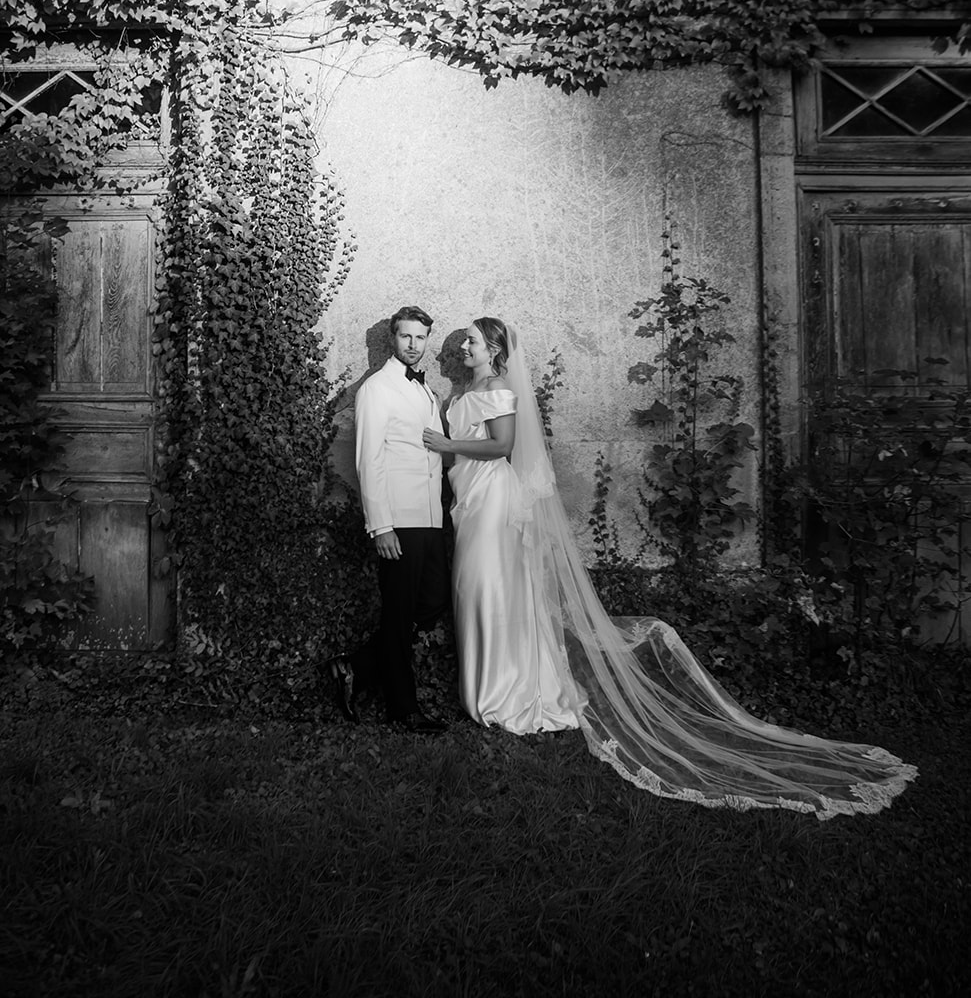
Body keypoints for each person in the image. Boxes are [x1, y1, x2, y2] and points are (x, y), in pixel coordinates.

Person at [423, 316, 918, 819]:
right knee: (475, 589)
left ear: (495, 349)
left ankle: (508, 691)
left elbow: (502, 447)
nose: (463, 347)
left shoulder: (499, 389)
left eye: (472, 341)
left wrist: (446, 445)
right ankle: (489, 686)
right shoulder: (462, 393)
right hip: (469, 499)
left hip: (494, 500)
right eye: (464, 341)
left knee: (490, 588)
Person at [327, 305, 449, 734]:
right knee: (398, 616)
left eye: (420, 337)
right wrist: (381, 526)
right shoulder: (377, 388)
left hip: (429, 517)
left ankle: (355, 667)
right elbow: (369, 460)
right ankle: (403, 708)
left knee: (434, 601)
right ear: (392, 339)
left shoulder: (426, 389)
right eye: (406, 336)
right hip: (399, 519)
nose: (413, 345)